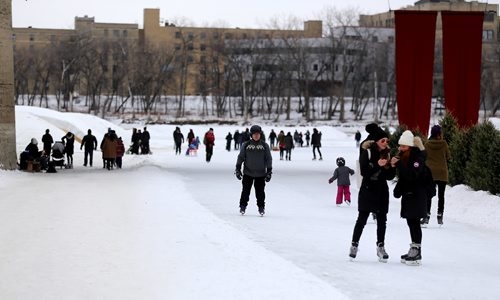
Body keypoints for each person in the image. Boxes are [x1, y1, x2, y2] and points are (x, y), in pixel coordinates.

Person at [349, 125, 395, 263]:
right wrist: (377, 165)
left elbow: (389, 176)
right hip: (368, 190)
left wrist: (391, 166)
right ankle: (354, 244)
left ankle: (380, 246)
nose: (385, 143)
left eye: (387, 140)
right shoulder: (367, 153)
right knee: (362, 219)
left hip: (381, 191)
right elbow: (364, 172)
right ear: (376, 141)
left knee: (382, 220)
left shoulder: (387, 154)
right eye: (383, 141)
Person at [391, 130, 428, 266]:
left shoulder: (417, 159)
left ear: (410, 147)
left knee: (415, 222)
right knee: (411, 222)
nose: (401, 149)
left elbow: (412, 176)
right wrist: (398, 190)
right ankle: (413, 247)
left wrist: (399, 164)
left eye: (404, 146)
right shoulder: (406, 157)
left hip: (417, 196)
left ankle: (417, 250)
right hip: (409, 195)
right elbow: (404, 178)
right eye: (400, 146)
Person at [235, 125, 273, 216]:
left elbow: (268, 159)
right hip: (248, 173)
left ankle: (261, 207)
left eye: (258, 134)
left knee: (260, 193)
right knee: (245, 191)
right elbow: (241, 157)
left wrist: (269, 171)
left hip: (260, 174)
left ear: (260, 134)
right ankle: (242, 206)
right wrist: (238, 169)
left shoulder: (264, 145)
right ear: (251, 135)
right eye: (254, 134)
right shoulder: (246, 145)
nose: (256, 136)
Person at [423, 125, 451, 226]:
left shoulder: (427, 144)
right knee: (441, 196)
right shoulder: (444, 144)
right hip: (442, 172)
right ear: (439, 134)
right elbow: (449, 156)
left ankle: (426, 216)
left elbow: (424, 157)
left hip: (430, 173)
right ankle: (440, 215)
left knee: (429, 195)